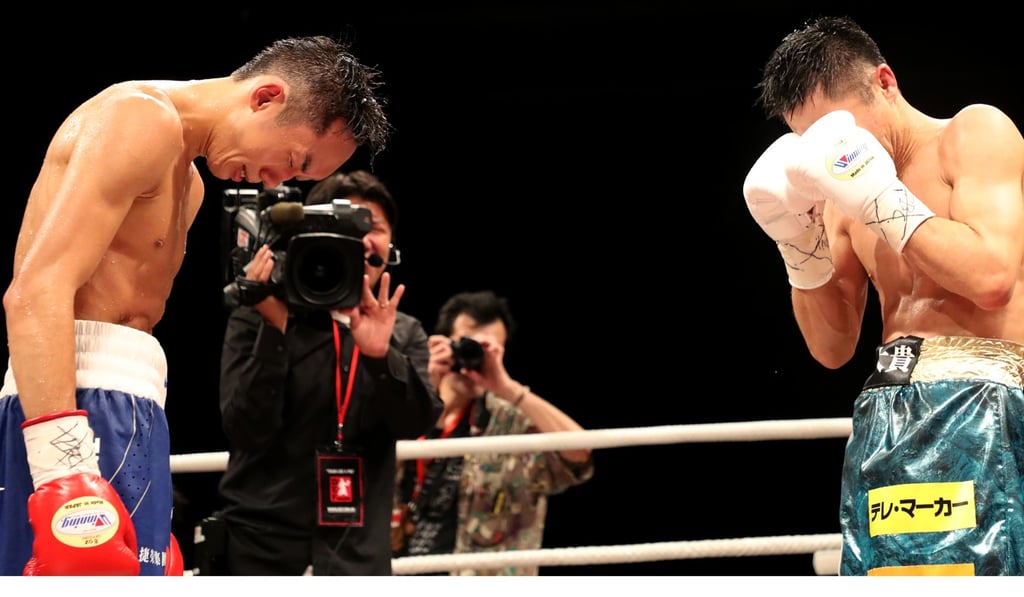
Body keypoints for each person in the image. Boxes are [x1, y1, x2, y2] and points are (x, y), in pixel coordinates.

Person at [0, 36, 390, 576]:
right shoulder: (139, 119)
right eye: (294, 161)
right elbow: (35, 291)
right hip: (70, 402)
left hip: (130, 405)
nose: (279, 183)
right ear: (265, 98)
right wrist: (62, 469)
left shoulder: (189, 181)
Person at [743, 15, 1024, 576]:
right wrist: (796, 243)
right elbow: (832, 346)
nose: (830, 152)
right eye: (811, 140)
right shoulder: (837, 197)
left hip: (988, 406)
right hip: (884, 419)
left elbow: (993, 277)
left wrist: (880, 197)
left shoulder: (973, 134)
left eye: (838, 130)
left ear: (885, 82)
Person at [213, 169, 442, 576]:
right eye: (350, 224)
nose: (365, 238)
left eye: (377, 229)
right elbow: (245, 429)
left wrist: (378, 355)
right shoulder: (258, 314)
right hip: (260, 550)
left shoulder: (403, 333)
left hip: (356, 555)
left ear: (389, 248)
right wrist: (275, 330)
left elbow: (416, 423)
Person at [391, 290, 595, 575]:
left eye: (488, 349)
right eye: (467, 346)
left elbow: (581, 453)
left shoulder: (513, 421)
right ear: (442, 344)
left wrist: (508, 388)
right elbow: (368, 472)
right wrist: (425, 384)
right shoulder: (406, 408)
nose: (473, 358)